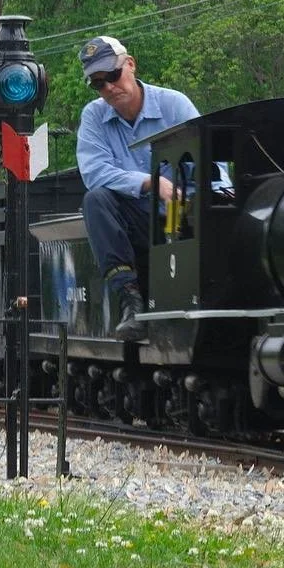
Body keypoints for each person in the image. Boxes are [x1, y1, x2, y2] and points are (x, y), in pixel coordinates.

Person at [75, 35, 202, 341]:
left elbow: (210, 163)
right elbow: (94, 172)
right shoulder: (93, 117)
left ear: (130, 64)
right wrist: (150, 182)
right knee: (96, 200)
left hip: (186, 217)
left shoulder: (175, 105)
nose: (108, 87)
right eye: (98, 83)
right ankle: (131, 302)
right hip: (137, 227)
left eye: (113, 76)